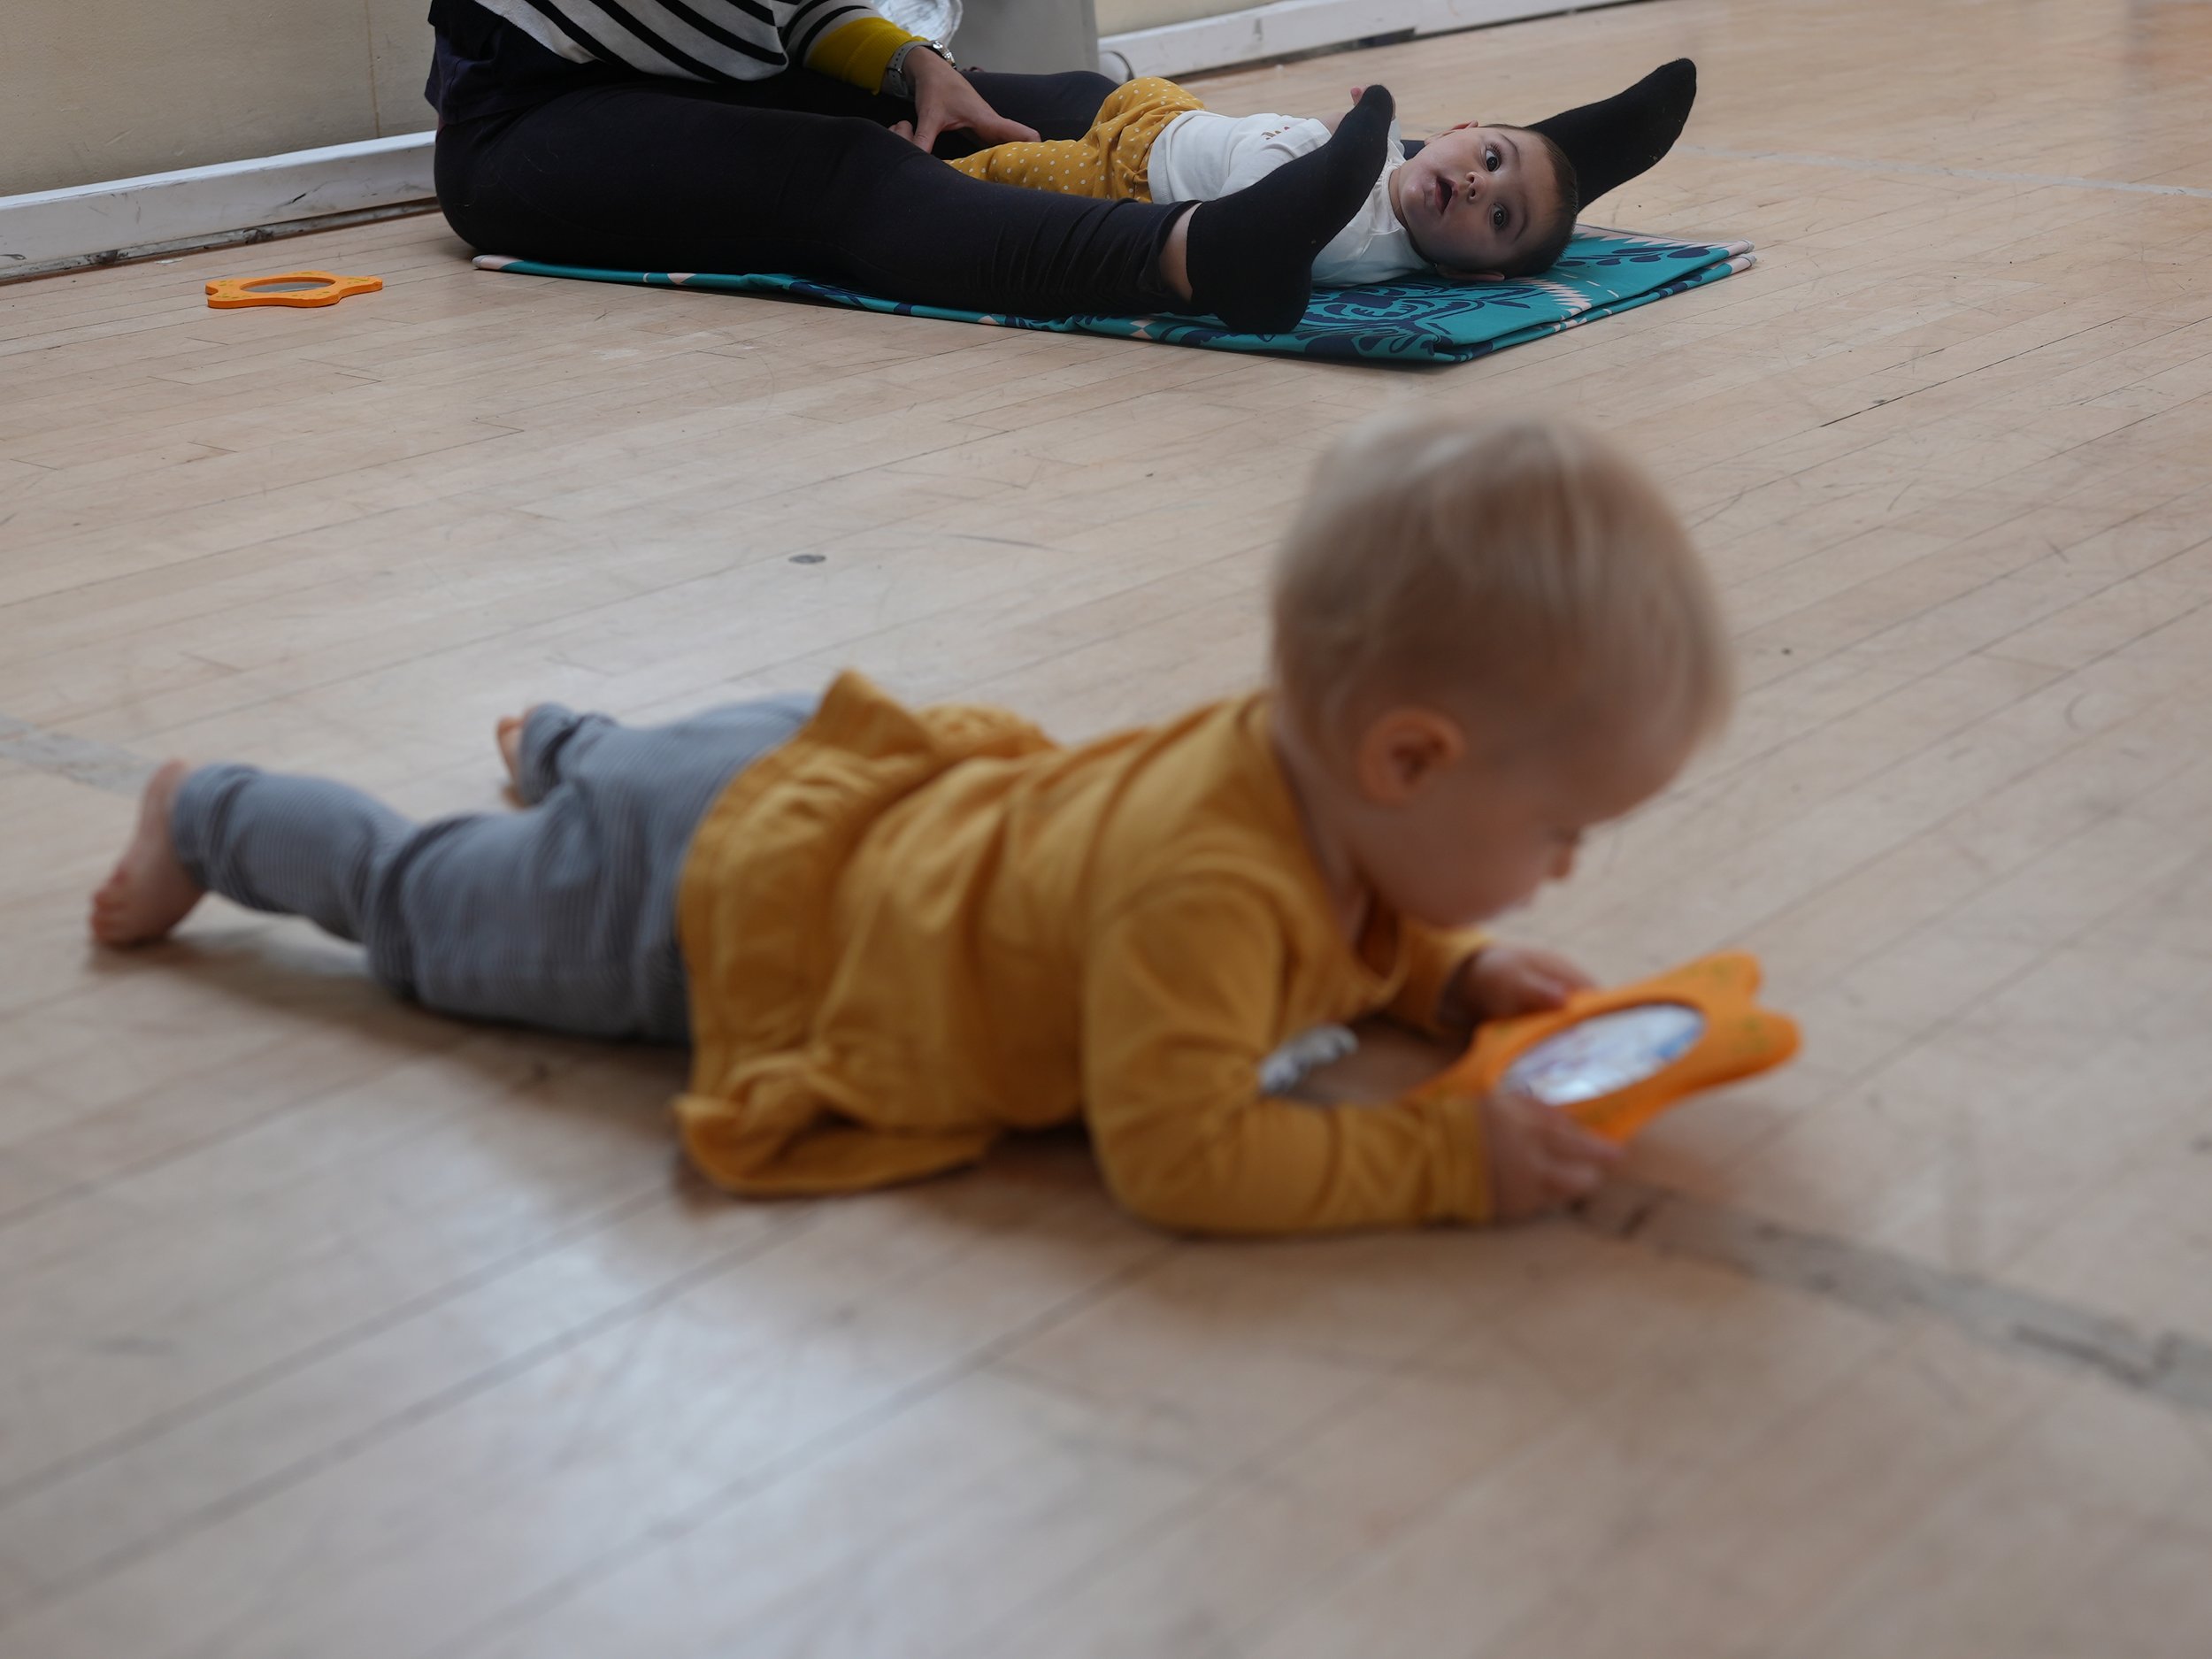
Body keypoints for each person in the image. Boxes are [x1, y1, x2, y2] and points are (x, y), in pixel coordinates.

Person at [89, 414, 1731, 1235]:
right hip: (707, 907)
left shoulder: (1290, 777)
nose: (1566, 868)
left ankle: (574, 747)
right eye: (1566, 827)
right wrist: (1442, 1158)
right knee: (421, 913)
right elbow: (1183, 1155)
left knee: (646, 777)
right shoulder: (1208, 893)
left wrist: (1433, 982)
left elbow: (1355, 915)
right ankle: (212, 810)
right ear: (1407, 760)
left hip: (819, 775)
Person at [423, 0, 1698, 332]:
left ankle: (1501, 173)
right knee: (848, 182)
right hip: (530, 119)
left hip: (693, 58)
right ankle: (1202, 256)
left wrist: (893, 61)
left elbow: (775, 19)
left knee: (1060, 108)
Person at [944, 76, 1578, 285]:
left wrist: (1340, 137)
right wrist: (1352, 127)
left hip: (1125, 181)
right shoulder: (1397, 158)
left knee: (1004, 173)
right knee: (1050, 96)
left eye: (1500, 218)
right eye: (1490, 159)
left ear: (1472, 274)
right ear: (1456, 130)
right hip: (1172, 112)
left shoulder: (1351, 240)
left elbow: (1246, 206)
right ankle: (949, 102)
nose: (1477, 186)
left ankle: (918, 165)